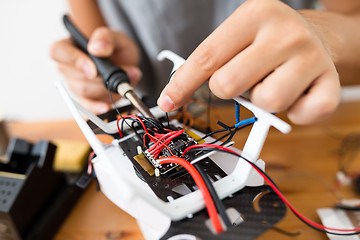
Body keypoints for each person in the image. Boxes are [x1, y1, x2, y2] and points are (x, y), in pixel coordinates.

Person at [50, 0, 360, 125]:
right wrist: (97, 69)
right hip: (161, 122)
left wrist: (325, 36)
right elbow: (97, 47)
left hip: (296, 128)